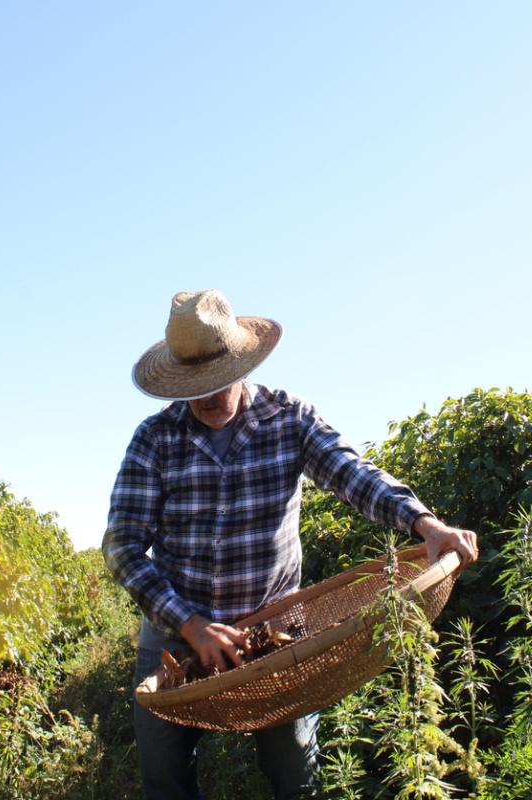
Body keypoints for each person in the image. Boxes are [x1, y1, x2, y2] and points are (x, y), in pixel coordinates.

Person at [102, 289, 478, 800]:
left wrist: (425, 525)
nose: (209, 397)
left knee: (295, 773)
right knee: (165, 777)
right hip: (175, 631)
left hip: (274, 630)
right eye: (194, 387)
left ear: (241, 364)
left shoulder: (289, 418)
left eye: (218, 381)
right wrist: (191, 626)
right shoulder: (154, 440)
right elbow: (123, 548)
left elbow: (353, 475)